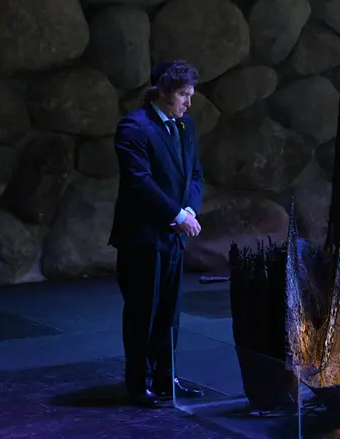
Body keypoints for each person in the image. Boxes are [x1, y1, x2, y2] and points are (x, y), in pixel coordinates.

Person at [109, 60, 205, 407]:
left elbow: (195, 174)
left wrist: (190, 210)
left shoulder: (185, 126)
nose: (188, 103)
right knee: (142, 312)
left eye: (190, 95)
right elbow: (139, 181)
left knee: (169, 312)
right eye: (183, 95)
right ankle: (138, 382)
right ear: (162, 91)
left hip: (173, 237)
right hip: (143, 238)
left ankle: (166, 377)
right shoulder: (134, 127)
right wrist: (176, 214)